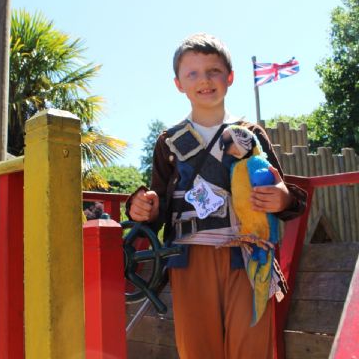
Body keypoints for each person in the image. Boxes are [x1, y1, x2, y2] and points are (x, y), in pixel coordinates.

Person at [127, 33, 306, 359]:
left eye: (214, 71)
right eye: (192, 73)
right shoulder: (168, 142)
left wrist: (283, 199)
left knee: (251, 349)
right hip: (189, 259)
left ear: (230, 77)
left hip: (250, 257)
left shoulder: (252, 135)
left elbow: (284, 196)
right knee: (198, 349)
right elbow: (160, 206)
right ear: (178, 84)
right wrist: (144, 208)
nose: (204, 80)